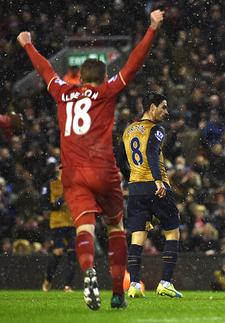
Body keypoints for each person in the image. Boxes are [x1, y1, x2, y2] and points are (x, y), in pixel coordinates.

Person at [17, 9, 165, 310]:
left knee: (83, 229)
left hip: (72, 172)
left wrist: (27, 44)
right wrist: (151, 28)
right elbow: (133, 64)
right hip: (103, 170)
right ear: (104, 77)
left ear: (79, 77)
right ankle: (117, 293)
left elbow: (46, 72)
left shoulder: (62, 92)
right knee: (114, 227)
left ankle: (88, 272)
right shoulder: (107, 92)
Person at [116, 92, 183, 299]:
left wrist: (131, 178)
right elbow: (152, 152)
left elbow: (119, 160)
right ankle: (165, 283)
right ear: (151, 107)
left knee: (137, 238)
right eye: (163, 106)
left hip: (135, 190)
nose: (166, 111)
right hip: (156, 186)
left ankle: (134, 284)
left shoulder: (128, 131)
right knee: (172, 232)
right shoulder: (156, 129)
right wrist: (157, 180)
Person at [41, 163, 77, 292]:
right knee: (58, 252)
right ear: (58, 170)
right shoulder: (50, 185)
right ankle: (48, 279)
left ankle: (68, 285)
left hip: (72, 223)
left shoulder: (73, 184)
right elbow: (47, 205)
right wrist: (61, 199)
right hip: (57, 223)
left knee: (73, 254)